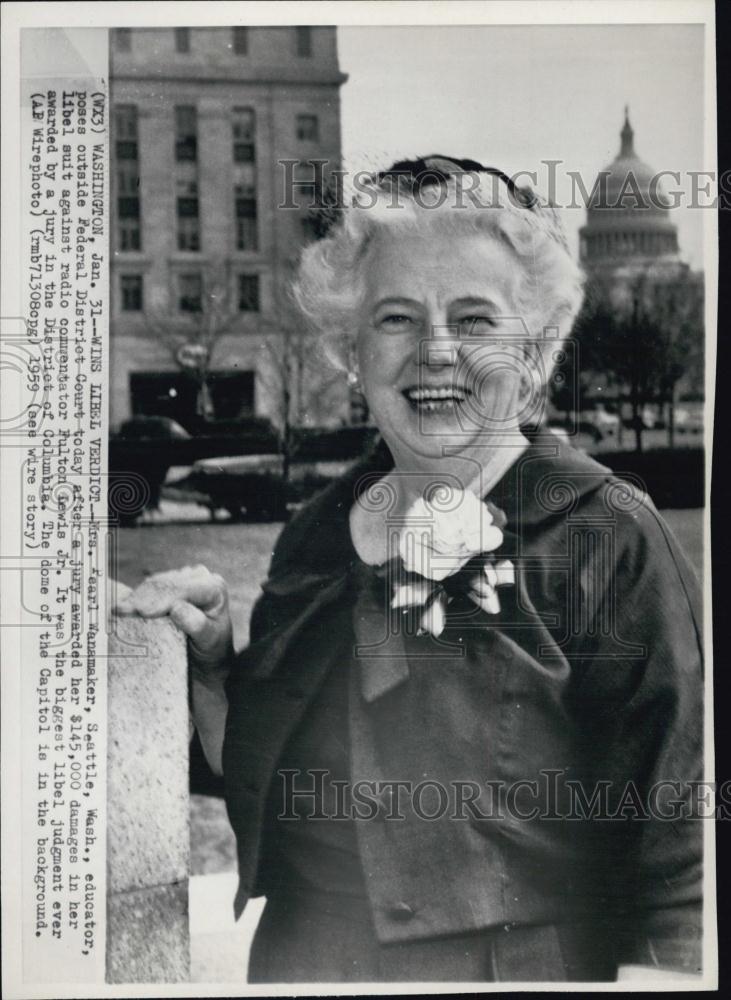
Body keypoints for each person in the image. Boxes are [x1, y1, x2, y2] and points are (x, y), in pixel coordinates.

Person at [116, 157, 704, 983]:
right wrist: (216, 668)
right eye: (396, 318)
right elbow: (269, 782)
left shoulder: (608, 535)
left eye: (473, 321)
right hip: (300, 968)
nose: (434, 352)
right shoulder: (316, 532)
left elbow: (680, 868)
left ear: (533, 352)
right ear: (351, 350)